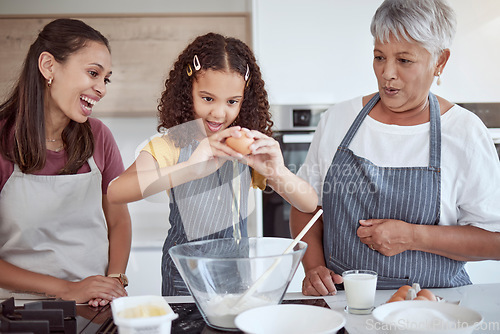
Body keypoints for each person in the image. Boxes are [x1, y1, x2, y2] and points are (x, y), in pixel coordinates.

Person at [291, 0, 500, 296]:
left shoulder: (464, 132)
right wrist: (313, 268)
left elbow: (495, 241)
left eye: (404, 60)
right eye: (379, 57)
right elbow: (306, 207)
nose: (387, 73)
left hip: (434, 307)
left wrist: (414, 236)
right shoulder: (338, 120)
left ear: (439, 62)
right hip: (344, 304)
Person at [107, 32, 318, 296]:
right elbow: (116, 191)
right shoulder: (171, 144)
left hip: (237, 279)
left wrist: (276, 171)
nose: (219, 113)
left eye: (232, 102)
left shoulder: (244, 146)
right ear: (188, 92)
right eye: (208, 98)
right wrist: (191, 168)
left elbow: (308, 204)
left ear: (245, 99)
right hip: (184, 281)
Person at [0, 18, 132, 306]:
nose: (102, 88)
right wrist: (68, 289)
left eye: (105, 78)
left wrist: (114, 279)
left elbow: (119, 221)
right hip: (17, 309)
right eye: (93, 73)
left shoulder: (99, 137)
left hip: (92, 306)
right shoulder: (1, 140)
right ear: (48, 66)